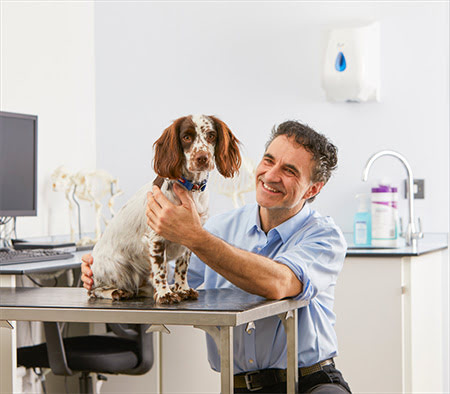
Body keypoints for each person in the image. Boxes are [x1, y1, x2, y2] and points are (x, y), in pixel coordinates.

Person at [81, 120, 351, 393]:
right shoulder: (218, 228)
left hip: (309, 384)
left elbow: (279, 283)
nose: (270, 175)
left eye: (289, 171)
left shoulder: (324, 237)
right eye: (268, 161)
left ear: (313, 188)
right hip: (239, 387)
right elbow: (161, 287)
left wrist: (195, 237)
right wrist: (110, 272)